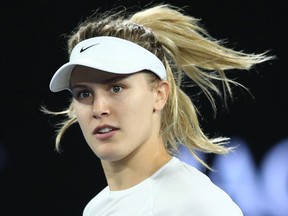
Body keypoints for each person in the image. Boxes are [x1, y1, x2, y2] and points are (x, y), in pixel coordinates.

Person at [43, 4, 274, 216]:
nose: (99, 108)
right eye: (84, 93)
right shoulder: (96, 208)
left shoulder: (199, 206)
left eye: (116, 88)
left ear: (159, 94)